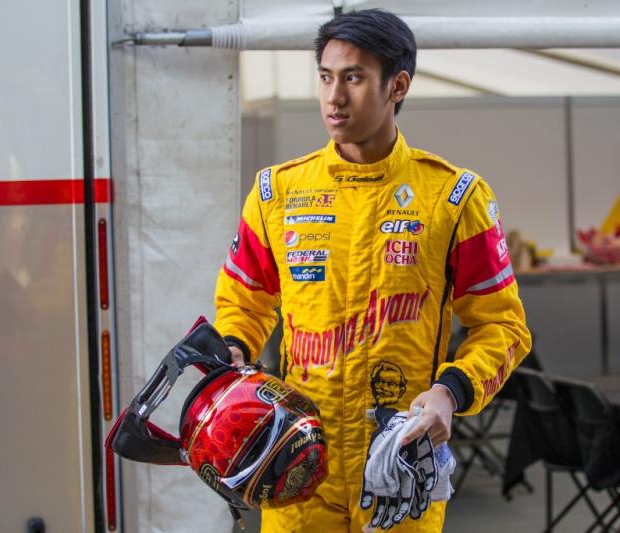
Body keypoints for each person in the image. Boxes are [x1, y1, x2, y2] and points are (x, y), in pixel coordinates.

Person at [214, 9, 531, 532]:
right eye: (325, 77)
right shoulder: (277, 193)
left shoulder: (455, 198)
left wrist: (450, 391)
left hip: (399, 456)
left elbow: (504, 326)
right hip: (298, 457)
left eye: (354, 78)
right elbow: (244, 301)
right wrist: (234, 347)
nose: (334, 97)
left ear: (397, 86)